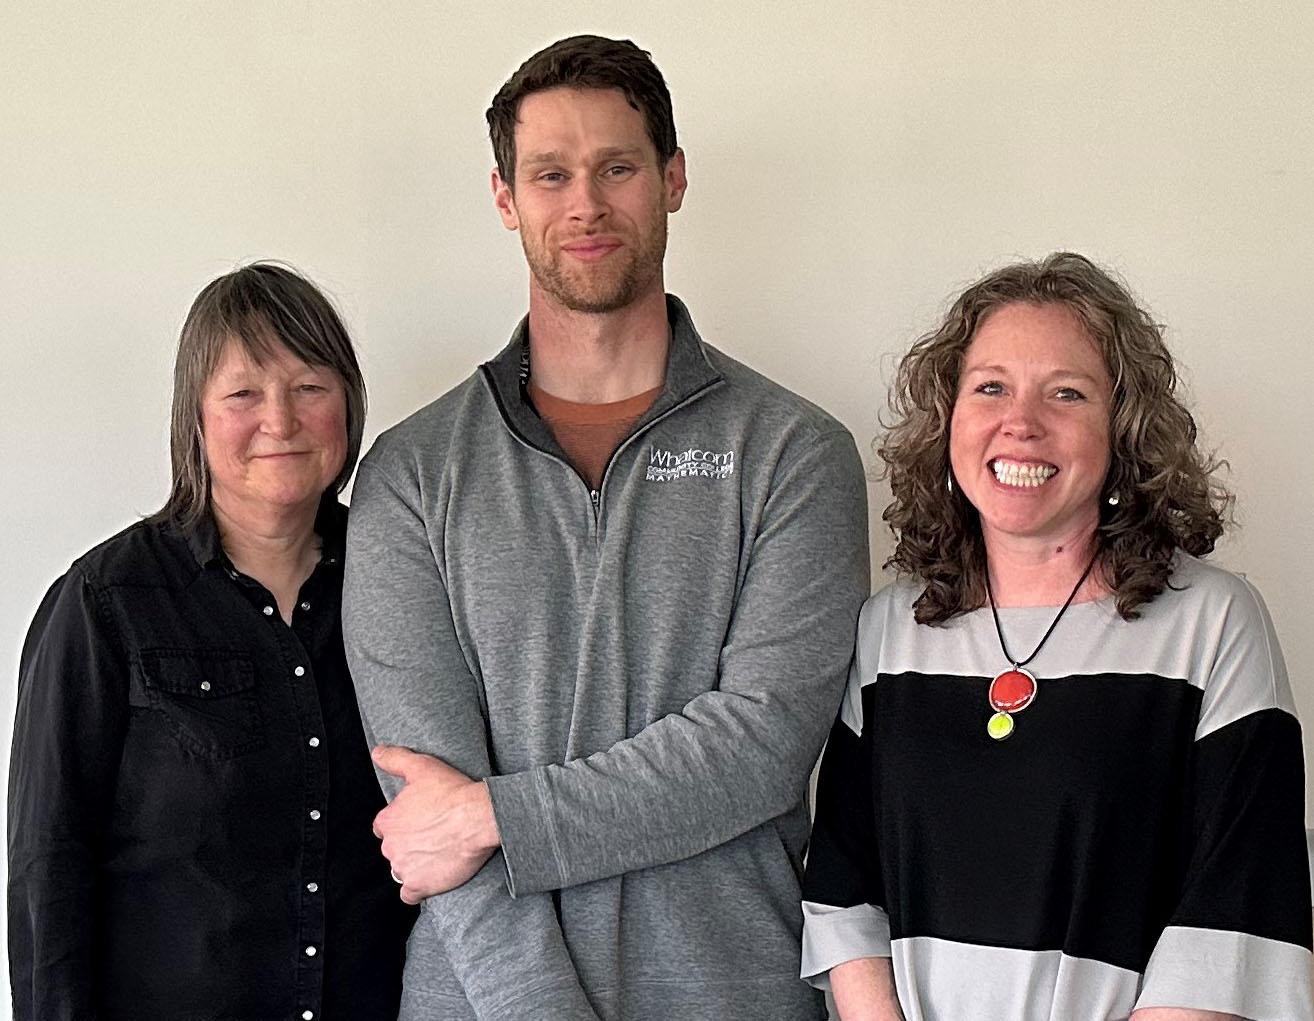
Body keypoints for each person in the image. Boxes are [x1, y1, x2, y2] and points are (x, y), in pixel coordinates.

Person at [341, 34, 870, 1021]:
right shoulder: (410, 476)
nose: (585, 203)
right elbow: (428, 801)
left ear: (671, 178)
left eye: (617, 166)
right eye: (551, 174)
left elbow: (759, 745)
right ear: (506, 199)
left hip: (734, 995)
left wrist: (495, 815)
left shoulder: (794, 453)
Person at [800, 252, 1313, 1020]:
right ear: (949, 420)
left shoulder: (1211, 626)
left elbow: (1234, 914)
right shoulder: (889, 631)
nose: (1022, 423)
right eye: (991, 387)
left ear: (1123, 428)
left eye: (1066, 393)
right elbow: (842, 883)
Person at [8, 263, 415, 1020]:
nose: (281, 420)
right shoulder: (105, 603)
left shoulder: (408, 577)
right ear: (193, 416)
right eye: (243, 393)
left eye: (310, 387)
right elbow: (47, 870)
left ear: (349, 406)